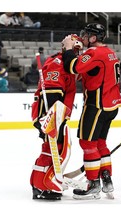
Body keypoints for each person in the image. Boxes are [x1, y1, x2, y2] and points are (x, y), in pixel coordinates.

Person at [62, 23, 121, 200]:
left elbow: (72, 67)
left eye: (87, 35)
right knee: (100, 143)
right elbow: (92, 71)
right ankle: (106, 179)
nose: (84, 37)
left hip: (96, 105)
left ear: (94, 38)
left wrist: (68, 49)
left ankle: (93, 184)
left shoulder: (94, 53)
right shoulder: (109, 52)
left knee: (88, 144)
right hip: (111, 105)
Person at [30, 35, 83, 200]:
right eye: (74, 49)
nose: (76, 53)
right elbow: (52, 95)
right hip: (50, 113)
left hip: (57, 114)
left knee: (55, 148)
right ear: (65, 47)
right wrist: (52, 120)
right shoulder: (58, 63)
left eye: (78, 50)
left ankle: (41, 183)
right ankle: (42, 185)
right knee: (53, 148)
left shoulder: (67, 65)